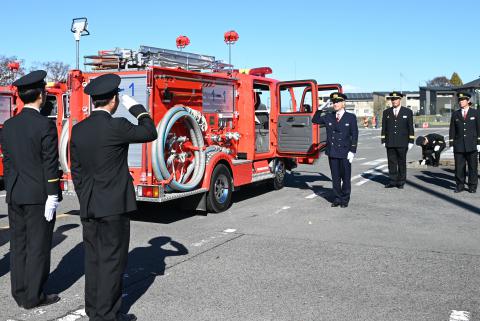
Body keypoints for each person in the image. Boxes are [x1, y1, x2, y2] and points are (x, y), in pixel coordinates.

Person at [70, 73, 158, 321]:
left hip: (89, 204)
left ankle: (94, 311)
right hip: (113, 206)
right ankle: (107, 315)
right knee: (112, 261)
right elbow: (149, 131)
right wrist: (137, 108)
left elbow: (76, 169)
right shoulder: (117, 125)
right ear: (113, 100)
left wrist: (84, 196)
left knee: (94, 261)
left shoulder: (79, 129)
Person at [1, 70, 62, 309]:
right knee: (38, 245)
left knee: (18, 245)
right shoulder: (44, 125)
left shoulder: (9, 125)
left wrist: (10, 188)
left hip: (15, 193)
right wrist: (52, 194)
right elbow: (50, 163)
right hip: (38, 195)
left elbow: (7, 162)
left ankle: (19, 291)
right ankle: (33, 296)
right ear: (41, 95)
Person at [313, 92, 358, 208]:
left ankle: (345, 199)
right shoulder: (329, 116)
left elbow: (354, 134)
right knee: (336, 177)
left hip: (345, 153)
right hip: (332, 152)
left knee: (346, 178)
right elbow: (315, 120)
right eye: (334, 102)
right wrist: (320, 109)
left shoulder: (350, 117)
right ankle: (337, 198)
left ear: (343, 103)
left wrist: (352, 151)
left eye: (338, 102)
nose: (335, 104)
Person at [381, 91, 414, 189]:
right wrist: (383, 140)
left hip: (402, 142)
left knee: (401, 163)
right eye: (392, 99)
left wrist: (411, 141)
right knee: (391, 162)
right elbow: (384, 128)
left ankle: (401, 182)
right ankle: (392, 181)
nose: (394, 101)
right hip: (390, 142)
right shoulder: (386, 112)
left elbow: (410, 127)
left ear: (400, 99)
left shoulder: (407, 112)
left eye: (396, 99)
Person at [448, 92, 480, 193]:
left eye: (463, 100)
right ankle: (460, 185)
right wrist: (452, 144)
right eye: (460, 100)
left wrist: (479, 143)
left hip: (472, 144)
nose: (461, 102)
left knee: (473, 167)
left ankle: (472, 186)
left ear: (468, 101)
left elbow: (479, 128)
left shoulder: (475, 113)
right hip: (459, 145)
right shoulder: (455, 114)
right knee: (459, 167)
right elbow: (452, 129)